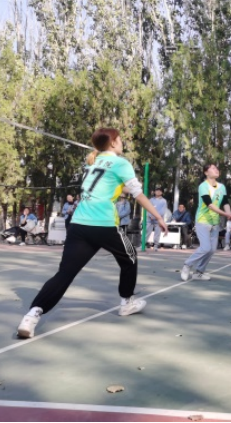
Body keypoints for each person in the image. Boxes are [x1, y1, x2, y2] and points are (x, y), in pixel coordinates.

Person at [16, 128, 168, 339]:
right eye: (120, 139)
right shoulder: (121, 163)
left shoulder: (92, 163)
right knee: (130, 257)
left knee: (65, 273)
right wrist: (158, 217)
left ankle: (32, 315)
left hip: (79, 224)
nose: (122, 143)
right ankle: (126, 302)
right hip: (103, 223)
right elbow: (138, 195)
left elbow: (111, 187)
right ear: (113, 143)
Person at [180, 164, 231, 282]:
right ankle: (187, 265)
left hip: (215, 223)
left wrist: (230, 215)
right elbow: (210, 205)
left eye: (217, 168)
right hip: (203, 221)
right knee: (205, 248)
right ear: (206, 172)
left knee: (212, 250)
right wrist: (226, 215)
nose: (216, 169)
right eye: (213, 168)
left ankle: (199, 272)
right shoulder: (203, 186)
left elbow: (225, 203)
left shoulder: (221, 187)